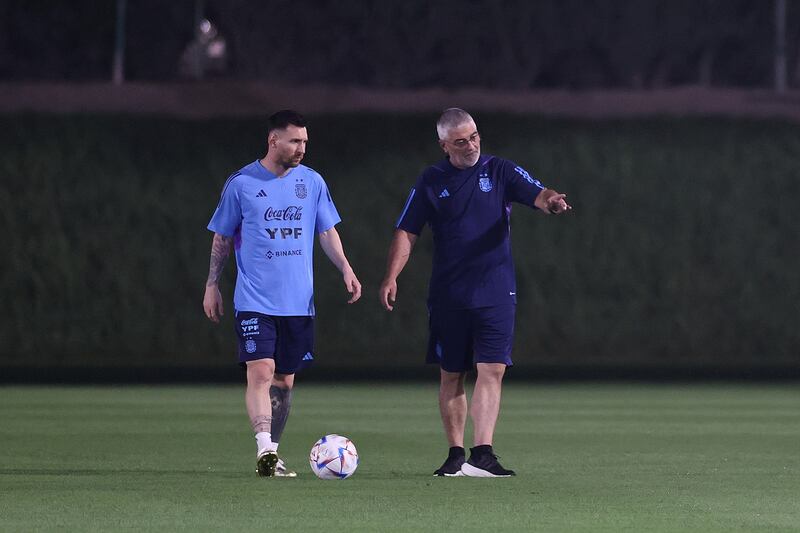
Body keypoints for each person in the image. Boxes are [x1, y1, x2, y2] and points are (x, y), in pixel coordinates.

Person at [379, 108, 571, 477]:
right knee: (452, 373)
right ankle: (455, 454)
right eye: (461, 141)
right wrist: (391, 277)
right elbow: (407, 231)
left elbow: (537, 191)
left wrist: (551, 201)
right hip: (449, 294)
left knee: (492, 368)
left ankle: (482, 453)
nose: (471, 145)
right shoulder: (431, 180)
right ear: (444, 145)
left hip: (497, 290)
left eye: (475, 136)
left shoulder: (500, 170)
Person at [203, 110, 362, 477]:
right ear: (274, 140)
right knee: (261, 371)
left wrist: (346, 268)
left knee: (285, 380)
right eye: (295, 141)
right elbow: (222, 237)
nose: (302, 148)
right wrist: (212, 284)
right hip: (255, 300)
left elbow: (326, 231)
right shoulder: (241, 183)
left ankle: (272, 455)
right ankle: (263, 448)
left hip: (298, 302)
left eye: (305, 141)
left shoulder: (312, 182)